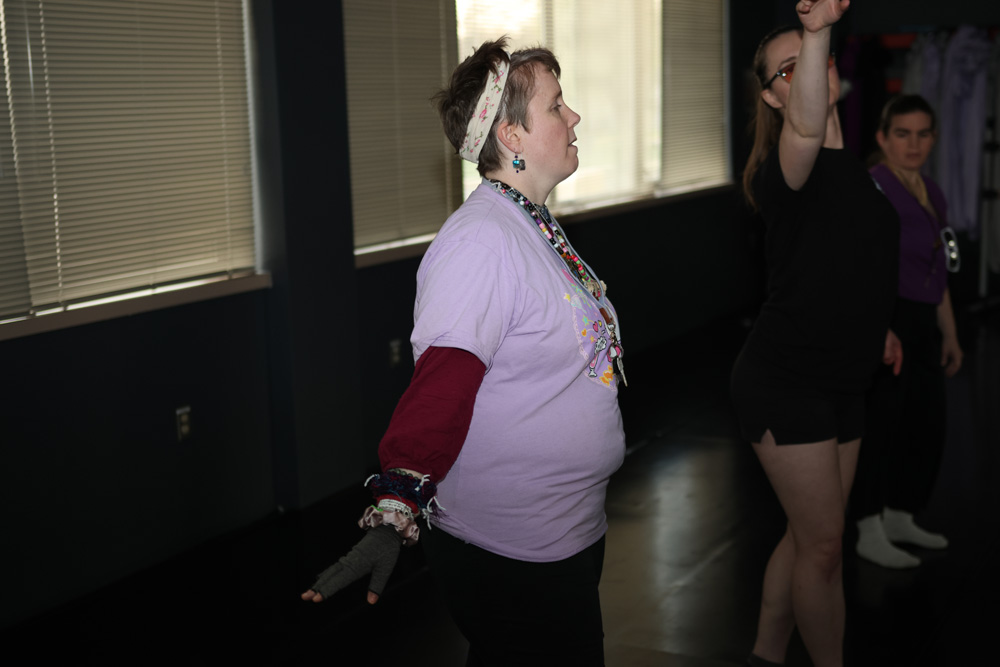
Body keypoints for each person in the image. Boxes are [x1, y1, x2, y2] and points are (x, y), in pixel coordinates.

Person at [301, 37, 626, 667]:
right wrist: (397, 501)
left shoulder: (528, 221)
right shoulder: (480, 242)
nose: (574, 117)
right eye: (558, 106)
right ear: (510, 133)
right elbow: (443, 382)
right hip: (514, 549)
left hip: (567, 530)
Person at [730, 2, 901, 666]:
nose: (803, 74)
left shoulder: (855, 171)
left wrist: (878, 327)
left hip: (843, 381)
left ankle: (766, 653)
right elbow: (807, 123)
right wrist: (819, 24)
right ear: (774, 97)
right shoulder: (787, 170)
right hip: (783, 383)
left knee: (808, 538)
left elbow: (851, 262)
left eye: (814, 59)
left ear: (834, 72)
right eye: (786, 68)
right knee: (826, 547)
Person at [851, 94, 961, 569]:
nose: (912, 144)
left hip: (925, 322)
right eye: (902, 133)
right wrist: (878, 329)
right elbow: (857, 268)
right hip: (887, 318)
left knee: (927, 424)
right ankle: (867, 526)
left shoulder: (932, 192)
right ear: (882, 138)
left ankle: (900, 513)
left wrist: (950, 334)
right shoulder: (872, 189)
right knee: (882, 428)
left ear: (933, 138)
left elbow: (939, 272)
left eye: (922, 134)